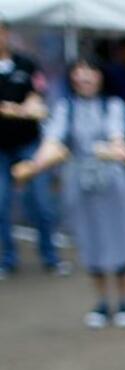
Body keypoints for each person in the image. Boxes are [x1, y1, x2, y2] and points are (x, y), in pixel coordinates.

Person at [14, 59, 125, 328]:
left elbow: (118, 136)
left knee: (119, 239)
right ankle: (103, 302)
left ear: (100, 76)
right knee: (90, 240)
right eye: (79, 73)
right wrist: (35, 165)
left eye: (90, 72)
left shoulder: (112, 105)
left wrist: (118, 148)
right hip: (79, 183)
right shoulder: (64, 108)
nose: (85, 78)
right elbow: (52, 142)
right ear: (71, 78)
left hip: (112, 181)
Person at [0, 14, 63, 279]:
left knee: (41, 202)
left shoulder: (26, 64)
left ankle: (50, 257)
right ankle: (8, 259)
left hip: (29, 144)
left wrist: (30, 106)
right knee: (1, 204)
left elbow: (40, 97)